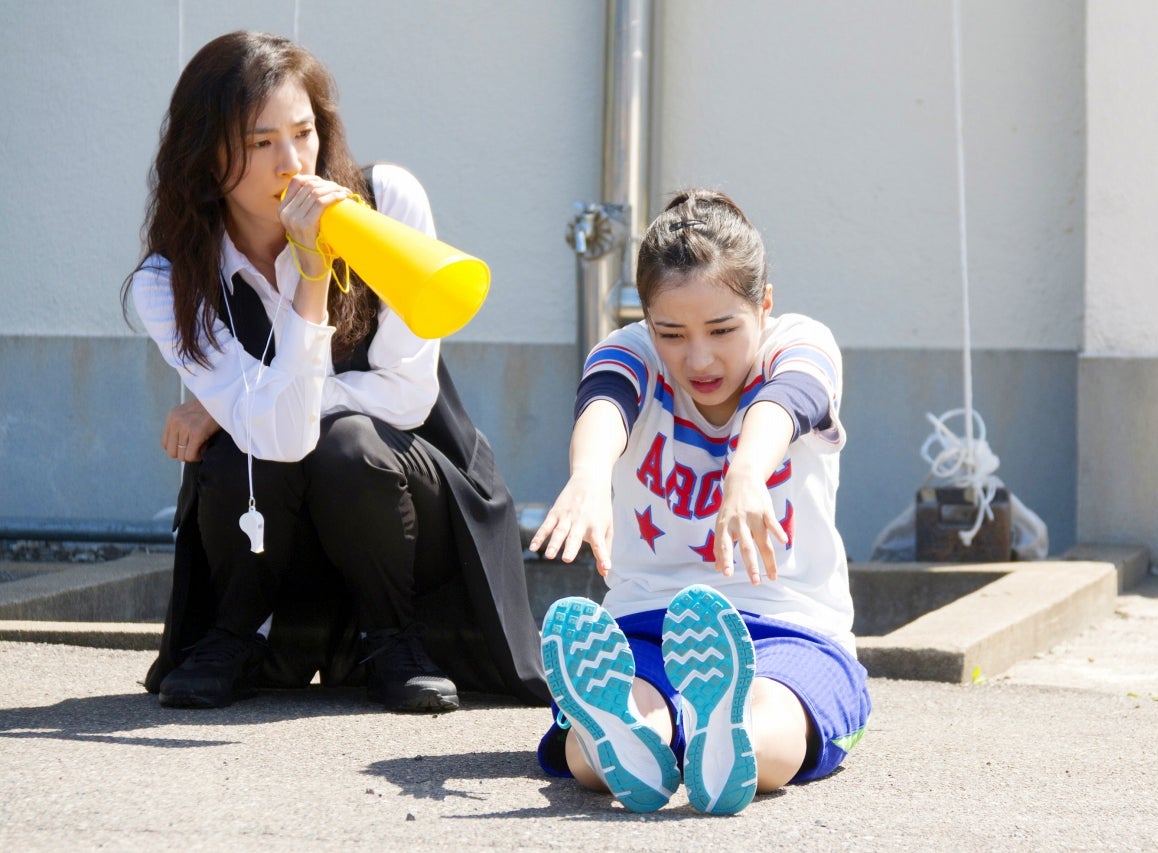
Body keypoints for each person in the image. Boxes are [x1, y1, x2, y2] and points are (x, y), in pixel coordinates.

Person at [122, 31, 548, 713]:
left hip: (413, 493)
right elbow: (279, 439)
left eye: (303, 132)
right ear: (206, 160)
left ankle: (394, 637)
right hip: (278, 503)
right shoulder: (167, 283)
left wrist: (239, 401)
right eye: (260, 143)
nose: (291, 163)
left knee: (345, 445)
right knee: (240, 454)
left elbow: (406, 395)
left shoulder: (387, 200)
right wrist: (311, 281)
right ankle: (236, 635)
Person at [530, 188, 872, 814]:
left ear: (764, 306)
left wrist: (745, 473)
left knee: (772, 723)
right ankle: (642, 737)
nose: (698, 357)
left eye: (721, 329)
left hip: (789, 627)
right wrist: (587, 476)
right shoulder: (629, 350)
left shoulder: (802, 342)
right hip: (648, 624)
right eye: (672, 333)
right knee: (590, 757)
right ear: (645, 319)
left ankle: (725, 733)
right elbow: (606, 402)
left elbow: (788, 401)